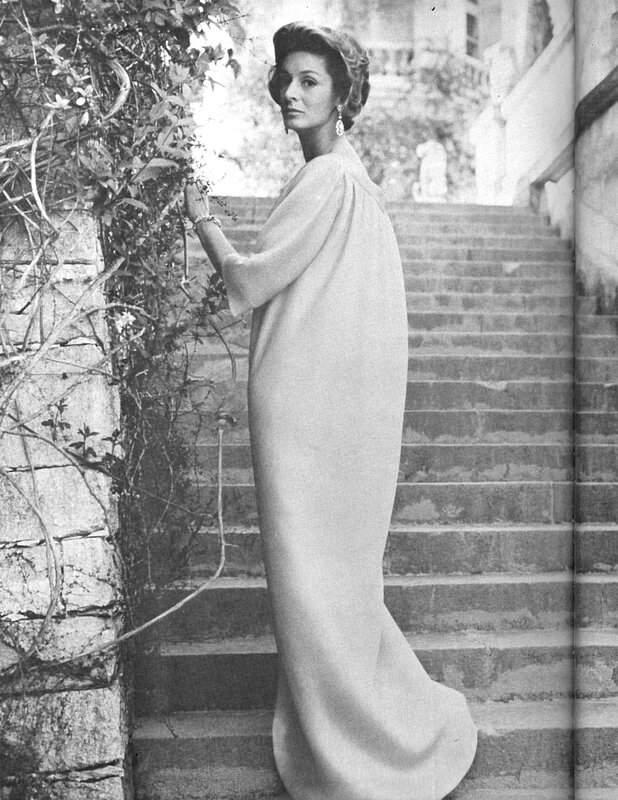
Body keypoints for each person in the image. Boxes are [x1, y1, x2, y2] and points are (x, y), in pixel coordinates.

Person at [184, 21, 477, 800]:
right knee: (331, 584)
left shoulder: (330, 181)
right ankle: (357, 729)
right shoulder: (351, 182)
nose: (288, 92)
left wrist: (199, 213)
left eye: (309, 80)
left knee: (317, 585)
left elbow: (247, 284)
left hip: (309, 416)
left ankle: (359, 750)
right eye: (283, 77)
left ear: (342, 95)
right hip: (330, 410)